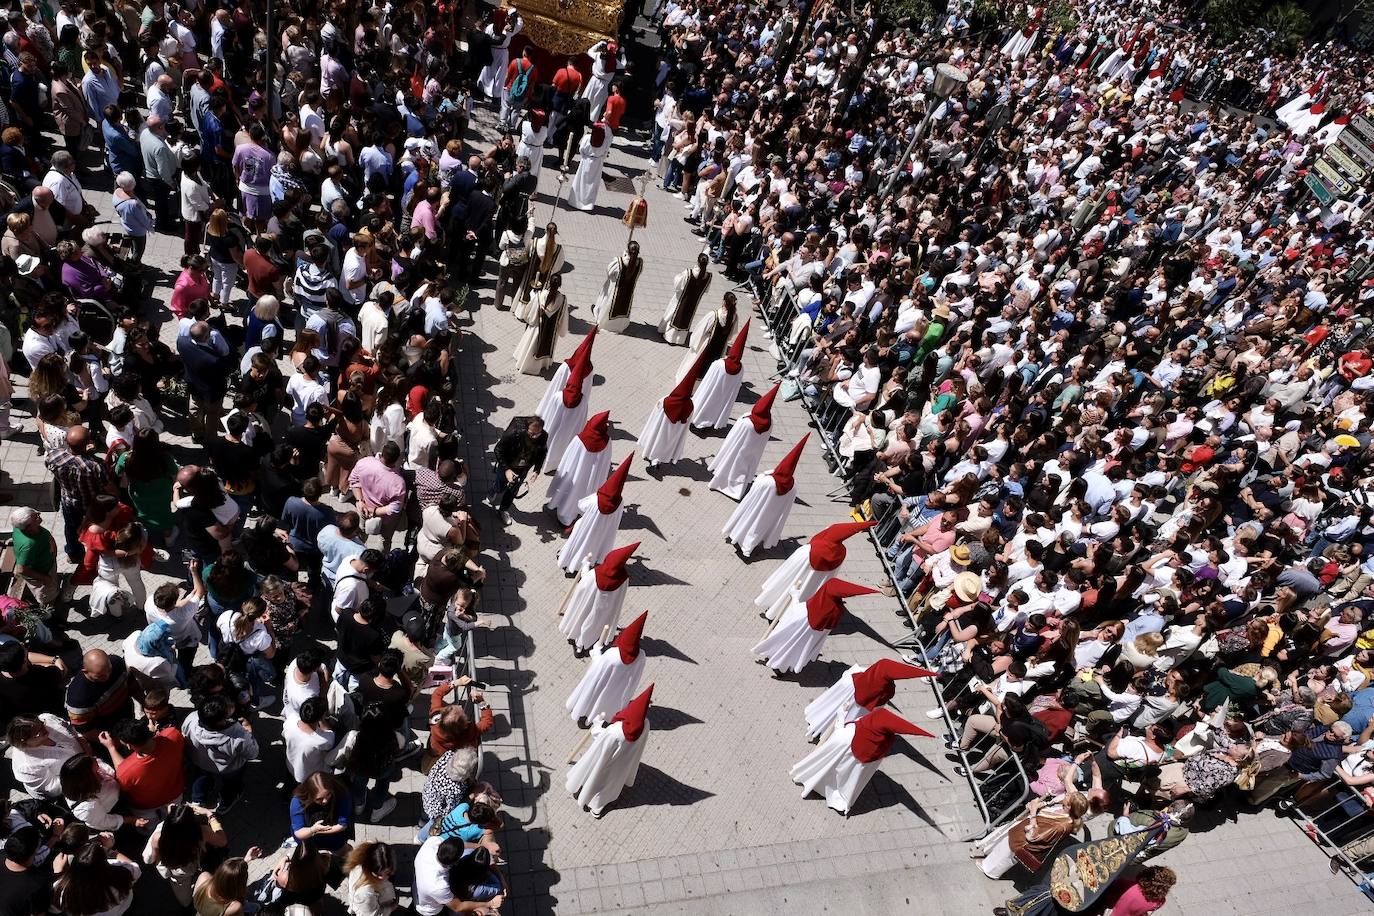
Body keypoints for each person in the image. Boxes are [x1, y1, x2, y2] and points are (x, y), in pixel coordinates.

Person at [142, 803, 229, 907]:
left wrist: (172, 814)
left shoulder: (158, 838)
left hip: (177, 872)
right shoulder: (202, 831)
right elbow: (222, 841)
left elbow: (151, 859)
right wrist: (209, 814)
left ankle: (186, 904)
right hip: (193, 864)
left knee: (182, 893)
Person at [51, 840, 140, 916]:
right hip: (124, 909)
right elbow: (136, 868)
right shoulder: (122, 872)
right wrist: (109, 850)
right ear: (105, 862)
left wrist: (58, 873)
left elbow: (54, 910)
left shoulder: (63, 891)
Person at [289, 772, 354, 853]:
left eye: (328, 794)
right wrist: (313, 830)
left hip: (335, 836)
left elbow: (342, 825)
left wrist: (318, 831)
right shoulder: (298, 801)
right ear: (309, 795)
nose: (325, 801)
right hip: (309, 838)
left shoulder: (340, 792)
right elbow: (299, 832)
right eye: (319, 799)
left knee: (342, 852)